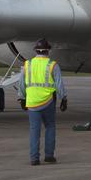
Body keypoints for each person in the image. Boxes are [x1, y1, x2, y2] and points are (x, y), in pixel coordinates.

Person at [19, 38, 67, 166]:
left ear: (36, 50)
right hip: (48, 101)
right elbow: (59, 84)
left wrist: (22, 98)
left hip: (32, 102)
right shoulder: (53, 65)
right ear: (48, 51)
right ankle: (49, 156)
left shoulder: (27, 64)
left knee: (34, 131)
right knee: (50, 127)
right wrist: (64, 98)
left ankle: (34, 158)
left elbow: (21, 83)